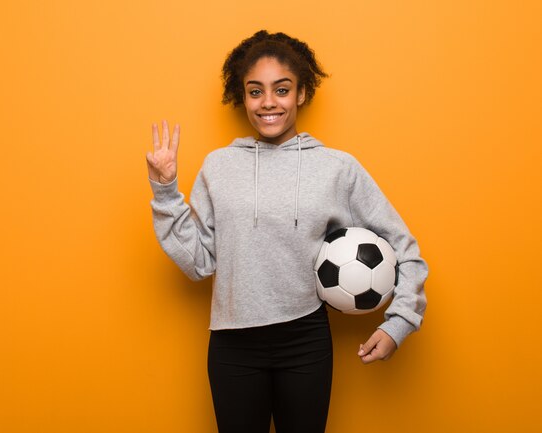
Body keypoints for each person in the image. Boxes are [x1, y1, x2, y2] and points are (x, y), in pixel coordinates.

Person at [145, 30, 428, 433]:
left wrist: (398, 323)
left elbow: (405, 248)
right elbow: (199, 263)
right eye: (255, 91)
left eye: (281, 89)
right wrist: (166, 191)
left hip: (305, 341)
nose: (268, 103)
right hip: (233, 344)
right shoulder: (219, 166)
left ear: (301, 93)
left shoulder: (337, 168)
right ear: (241, 97)